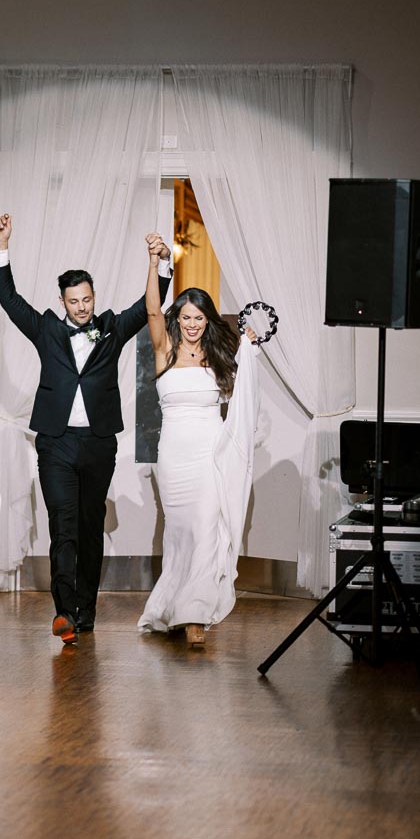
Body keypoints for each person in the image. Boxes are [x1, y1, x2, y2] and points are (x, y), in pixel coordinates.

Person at [0, 213, 172, 644]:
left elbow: (148, 306)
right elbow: (10, 300)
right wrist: (2, 248)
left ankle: (85, 611)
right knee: (63, 525)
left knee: (91, 528)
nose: (82, 307)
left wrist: (162, 263)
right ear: (62, 301)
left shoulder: (110, 328)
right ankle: (63, 613)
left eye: (87, 300)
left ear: (93, 297)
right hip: (54, 443)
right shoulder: (47, 330)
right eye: (74, 302)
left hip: (98, 443)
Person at [138, 235, 260, 647]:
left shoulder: (219, 358)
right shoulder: (164, 350)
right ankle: (174, 605)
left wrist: (252, 349)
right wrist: (154, 263)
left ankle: (195, 618)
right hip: (173, 457)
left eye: (199, 318)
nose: (192, 324)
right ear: (179, 320)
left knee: (209, 529)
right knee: (182, 533)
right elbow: (153, 308)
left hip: (211, 455)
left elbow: (244, 399)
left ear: (208, 321)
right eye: (186, 317)